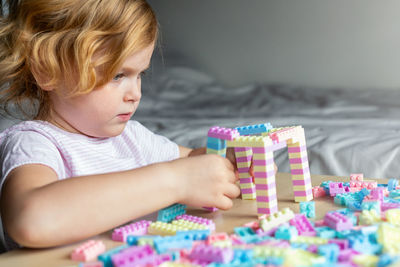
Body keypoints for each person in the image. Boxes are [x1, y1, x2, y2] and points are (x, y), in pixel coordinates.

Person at [0, 0, 241, 252]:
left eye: (140, 75)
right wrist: (174, 181)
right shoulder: (34, 143)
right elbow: (33, 220)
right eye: (117, 75)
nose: (135, 93)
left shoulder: (132, 137)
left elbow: (192, 160)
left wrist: (231, 161)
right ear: (47, 70)